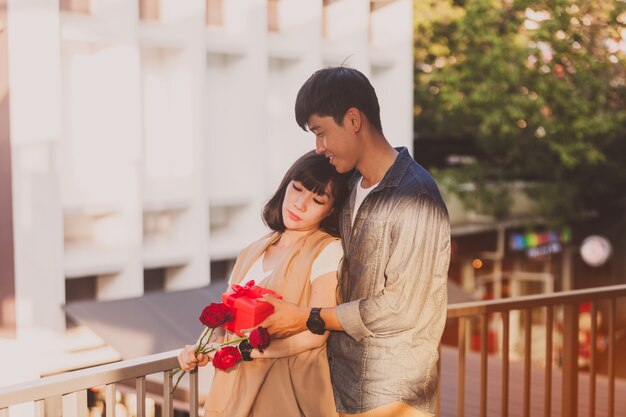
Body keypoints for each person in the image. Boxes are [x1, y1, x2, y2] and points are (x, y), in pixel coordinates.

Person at [257, 67, 451, 417]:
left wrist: (306, 317)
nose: (319, 147)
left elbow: (399, 307)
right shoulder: (347, 189)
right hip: (339, 390)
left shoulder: (415, 195)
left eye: (321, 132)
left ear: (352, 119)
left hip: (392, 396)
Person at [178, 150, 350, 417]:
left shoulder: (328, 250)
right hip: (233, 389)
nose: (300, 204)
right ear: (285, 185)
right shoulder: (252, 250)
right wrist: (201, 350)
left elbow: (315, 335)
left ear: (331, 210)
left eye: (317, 199)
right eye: (297, 189)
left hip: (285, 393)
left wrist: (246, 352)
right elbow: (225, 327)